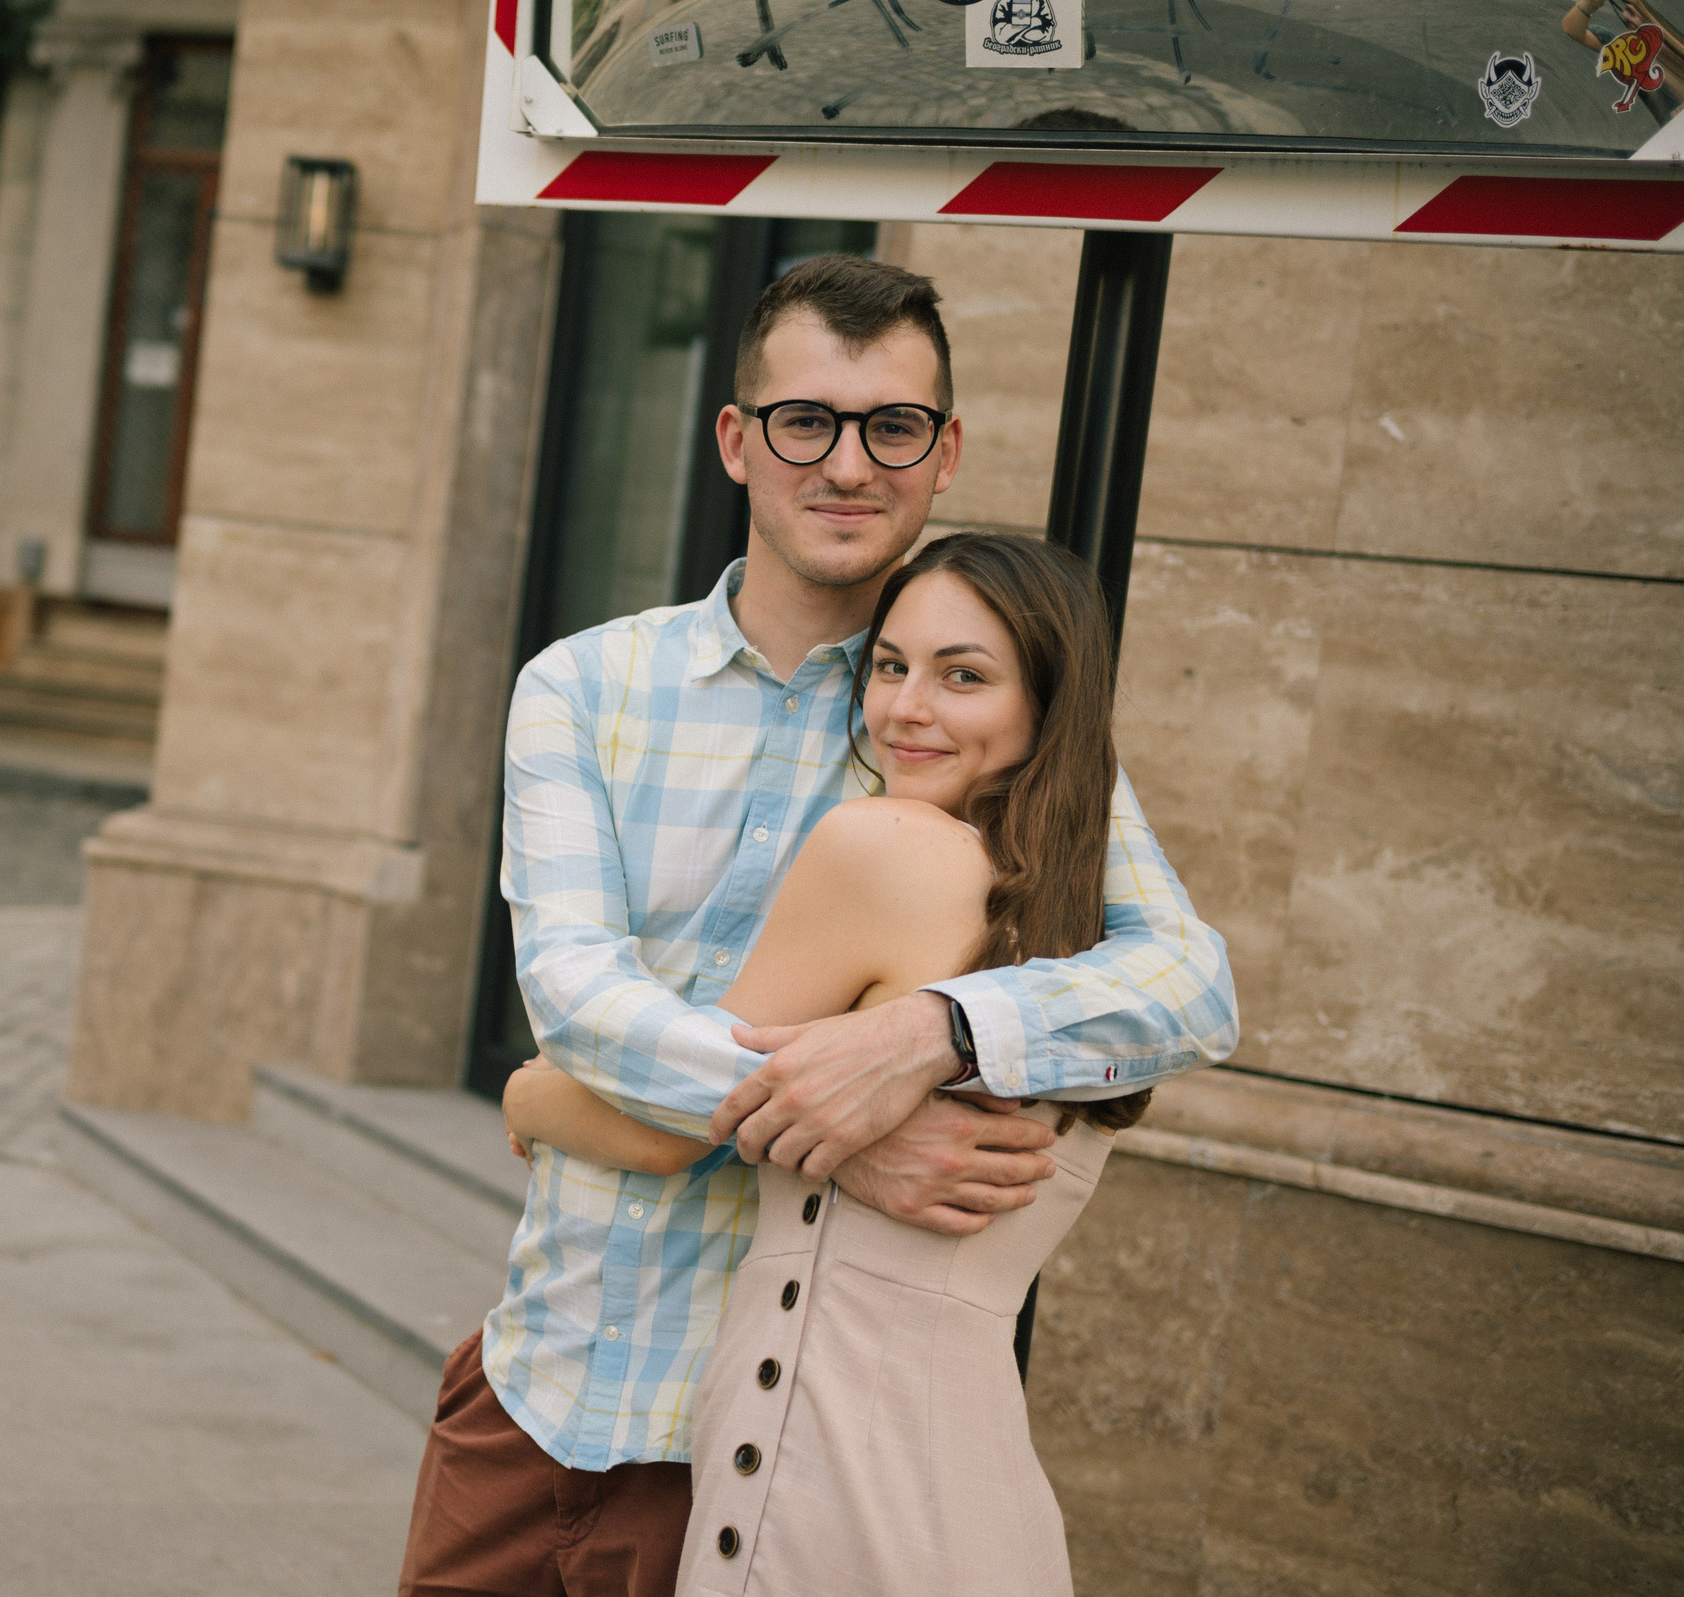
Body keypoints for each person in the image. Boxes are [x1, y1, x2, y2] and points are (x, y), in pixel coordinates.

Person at [392, 254, 1236, 1597]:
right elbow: (572, 992)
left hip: (748, 1445)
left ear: (944, 449)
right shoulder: (584, 683)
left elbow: (1191, 985)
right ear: (737, 439)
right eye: (807, 420)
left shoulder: (973, 723)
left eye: (891, 425)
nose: (848, 463)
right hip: (535, 1376)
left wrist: (930, 1031)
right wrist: (849, 1133)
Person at [505, 530, 1137, 1595]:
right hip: (977, 1494)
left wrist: (529, 1087)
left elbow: (660, 1123)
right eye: (890, 666)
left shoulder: (885, 848)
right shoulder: (1093, 929)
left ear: (1049, 704)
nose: (905, 708)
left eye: (964, 675)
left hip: (819, 1469)